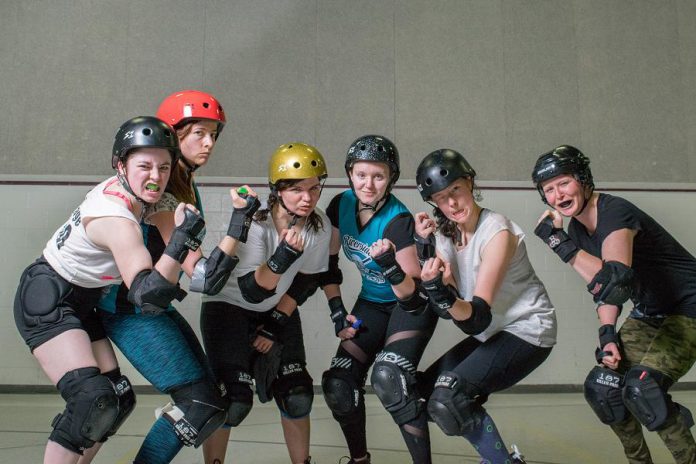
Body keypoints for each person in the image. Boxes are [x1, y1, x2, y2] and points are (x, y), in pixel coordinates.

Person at [13, 116, 204, 464]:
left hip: (82, 302)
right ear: (120, 165)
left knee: (117, 399)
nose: (156, 177)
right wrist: (179, 242)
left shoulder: (145, 197)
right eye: (144, 166)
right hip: (48, 297)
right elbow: (147, 295)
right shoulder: (114, 217)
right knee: (91, 399)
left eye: (164, 167)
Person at [95, 91, 259, 464]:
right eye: (199, 133)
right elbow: (204, 278)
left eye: (214, 136)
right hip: (128, 309)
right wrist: (240, 222)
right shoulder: (163, 187)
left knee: (213, 403)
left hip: (153, 307)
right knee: (200, 404)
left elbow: (199, 271)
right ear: (173, 133)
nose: (209, 143)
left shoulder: (184, 184)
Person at [532, 145, 696, 464]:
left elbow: (616, 281)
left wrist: (557, 242)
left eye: (563, 183)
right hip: (650, 312)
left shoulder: (614, 212)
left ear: (582, 180)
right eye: (548, 190)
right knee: (603, 387)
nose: (557, 195)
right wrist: (607, 335)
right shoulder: (578, 228)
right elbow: (604, 292)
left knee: (642, 389)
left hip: (689, 308)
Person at [412, 148, 556, 464]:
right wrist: (426, 253)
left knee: (449, 398)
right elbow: (445, 308)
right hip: (493, 333)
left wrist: (442, 292)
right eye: (440, 198)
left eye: (456, 191)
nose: (451, 203)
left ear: (470, 182)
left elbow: (474, 317)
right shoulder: (446, 237)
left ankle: (502, 461)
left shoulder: (497, 231)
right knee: (422, 394)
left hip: (528, 329)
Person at [200, 142, 331, 464]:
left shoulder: (318, 225)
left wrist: (274, 325)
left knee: (297, 395)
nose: (308, 198)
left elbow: (306, 281)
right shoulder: (257, 223)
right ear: (278, 190)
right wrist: (283, 257)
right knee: (234, 399)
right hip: (228, 309)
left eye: (315, 188)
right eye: (298, 190)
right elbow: (251, 291)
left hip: (276, 308)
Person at [320, 135, 438, 464]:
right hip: (370, 304)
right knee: (339, 386)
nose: (368, 184)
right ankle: (360, 460)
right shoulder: (339, 205)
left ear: (391, 179)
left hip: (410, 308)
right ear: (350, 174)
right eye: (361, 175)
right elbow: (329, 268)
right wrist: (337, 313)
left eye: (378, 176)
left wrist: (387, 264)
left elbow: (411, 295)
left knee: (391, 380)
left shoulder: (397, 221)